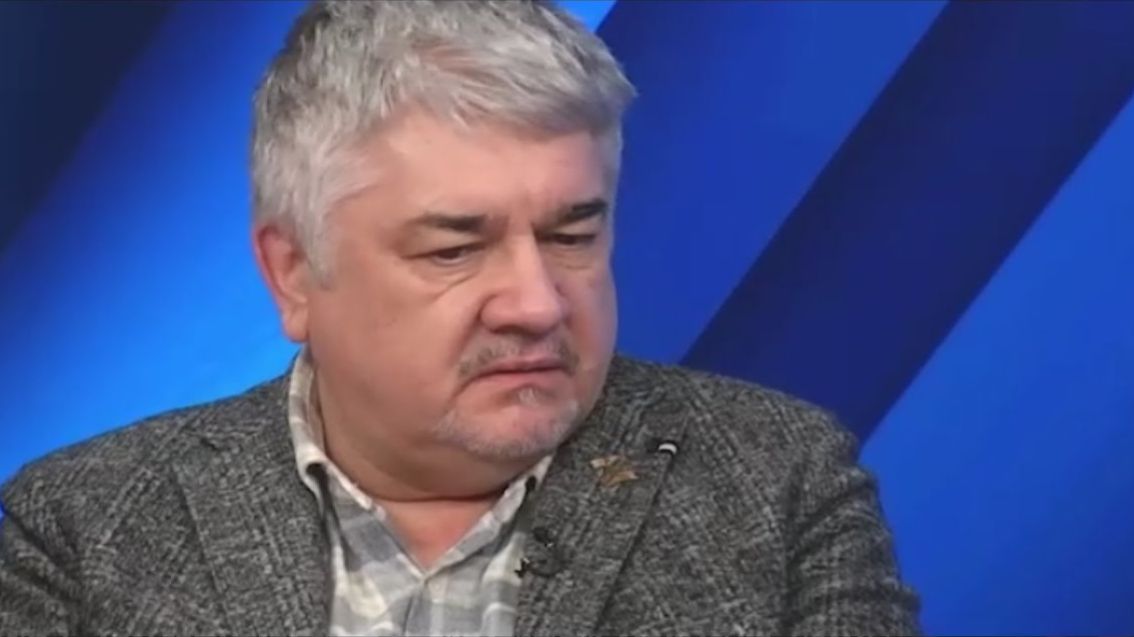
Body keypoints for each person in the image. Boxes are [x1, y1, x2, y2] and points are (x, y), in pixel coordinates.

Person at [0, 1, 920, 635]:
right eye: (453, 249)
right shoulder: (81, 528)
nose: (536, 303)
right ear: (293, 273)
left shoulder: (780, 483)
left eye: (571, 235)